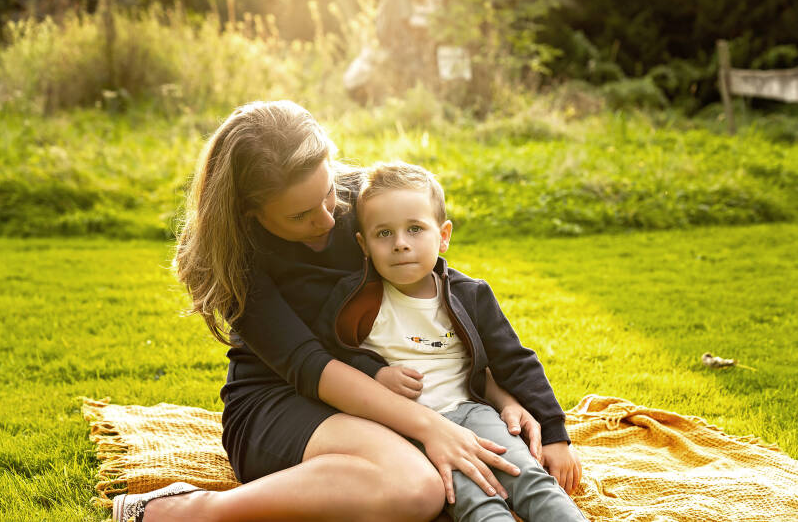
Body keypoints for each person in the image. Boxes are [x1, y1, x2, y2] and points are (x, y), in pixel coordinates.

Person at [113, 100, 548, 522]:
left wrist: (501, 395)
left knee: (437, 482)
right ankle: (187, 511)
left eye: (327, 195)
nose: (326, 220)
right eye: (300, 215)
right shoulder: (233, 258)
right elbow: (310, 366)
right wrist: (430, 427)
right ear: (250, 212)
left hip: (379, 390)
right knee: (418, 489)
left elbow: (437, 306)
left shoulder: (366, 199)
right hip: (279, 401)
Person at [309, 162, 585, 521]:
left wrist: (555, 436)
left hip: (472, 411)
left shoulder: (470, 295)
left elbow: (517, 362)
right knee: (475, 495)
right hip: (409, 430)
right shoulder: (354, 300)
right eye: (383, 234)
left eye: (414, 229)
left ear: (443, 235)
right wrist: (374, 373)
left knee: (525, 475)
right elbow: (329, 356)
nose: (401, 244)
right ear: (363, 244)